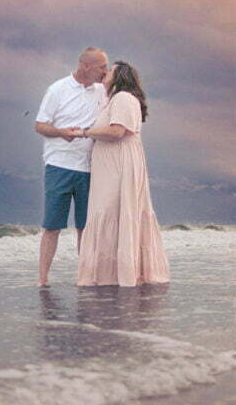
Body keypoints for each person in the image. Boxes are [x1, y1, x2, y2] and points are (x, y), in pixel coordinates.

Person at [75, 61, 170, 287]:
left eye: (110, 70)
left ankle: (114, 275)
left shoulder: (124, 98)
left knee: (111, 209)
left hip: (119, 166)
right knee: (111, 210)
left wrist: (84, 132)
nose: (105, 72)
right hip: (113, 165)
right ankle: (113, 274)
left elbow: (117, 131)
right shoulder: (116, 100)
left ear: (121, 76)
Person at [34, 47, 109, 287]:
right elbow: (40, 125)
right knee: (52, 225)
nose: (105, 72)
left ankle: (84, 277)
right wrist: (61, 132)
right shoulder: (57, 89)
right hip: (59, 165)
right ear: (85, 66)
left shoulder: (102, 91)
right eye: (102, 67)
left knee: (85, 227)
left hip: (90, 167)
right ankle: (42, 279)